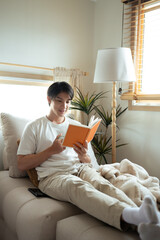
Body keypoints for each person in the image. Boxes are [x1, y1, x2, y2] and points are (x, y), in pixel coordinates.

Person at [17, 81, 160, 239]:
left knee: (102, 184)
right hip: (53, 176)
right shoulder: (34, 127)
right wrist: (51, 150)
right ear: (49, 100)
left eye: (68, 102)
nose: (64, 106)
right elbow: (22, 163)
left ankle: (145, 219)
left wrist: (83, 155)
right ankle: (134, 220)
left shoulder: (75, 125)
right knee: (78, 187)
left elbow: (88, 162)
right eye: (59, 100)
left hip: (80, 169)